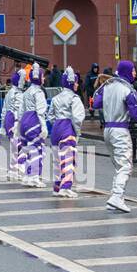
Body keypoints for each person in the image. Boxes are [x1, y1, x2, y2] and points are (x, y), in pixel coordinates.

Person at [95, 61, 137, 213]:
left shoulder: (107, 86)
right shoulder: (126, 89)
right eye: (133, 70)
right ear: (127, 71)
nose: (135, 74)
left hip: (107, 130)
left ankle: (115, 197)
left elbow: (96, 104)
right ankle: (117, 196)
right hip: (121, 130)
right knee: (125, 166)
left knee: (118, 165)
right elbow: (136, 114)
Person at [49, 67, 85, 197]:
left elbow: (50, 116)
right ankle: (66, 187)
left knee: (57, 160)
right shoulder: (74, 98)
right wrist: (78, 132)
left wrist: (57, 124)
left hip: (56, 129)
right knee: (69, 159)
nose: (77, 84)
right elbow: (77, 118)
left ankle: (57, 187)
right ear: (71, 82)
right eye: (75, 82)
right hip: (67, 128)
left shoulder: (55, 98)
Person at [19, 64, 50, 187]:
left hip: (25, 121)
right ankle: (35, 177)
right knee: (38, 149)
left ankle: (27, 175)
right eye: (43, 76)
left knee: (28, 149)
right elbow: (41, 111)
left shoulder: (26, 92)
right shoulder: (38, 92)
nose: (44, 79)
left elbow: (20, 110)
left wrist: (19, 127)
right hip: (34, 120)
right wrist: (44, 127)